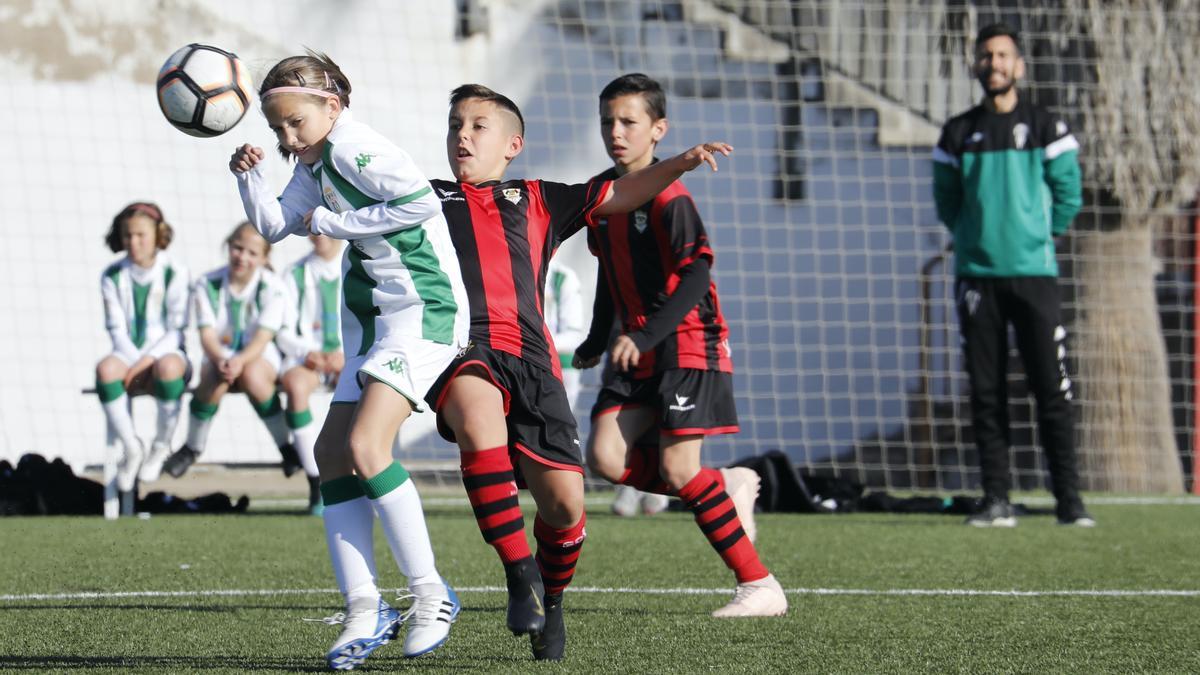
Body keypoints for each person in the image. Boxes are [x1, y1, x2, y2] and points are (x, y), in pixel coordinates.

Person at [425, 83, 733, 661]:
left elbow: (621, 191)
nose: (461, 136)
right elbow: (345, 186)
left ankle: (553, 601)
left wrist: (682, 162)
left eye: (477, 126)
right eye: (454, 126)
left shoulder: (540, 198)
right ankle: (520, 576)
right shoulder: (422, 198)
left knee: (566, 507)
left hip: (534, 364)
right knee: (476, 413)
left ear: (512, 143)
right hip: (465, 349)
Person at [227, 51, 467, 667]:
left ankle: (430, 593)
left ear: (331, 106)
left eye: (295, 123)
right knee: (330, 453)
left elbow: (422, 204)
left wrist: (336, 219)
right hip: (369, 316)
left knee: (366, 448)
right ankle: (365, 608)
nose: (287, 137)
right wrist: (249, 178)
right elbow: (278, 225)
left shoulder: (359, 150)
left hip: (422, 308)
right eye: (276, 127)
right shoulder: (315, 157)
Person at [574, 73, 787, 618]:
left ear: (658, 130)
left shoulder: (671, 195)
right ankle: (723, 484)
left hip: (688, 340)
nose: (615, 132)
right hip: (635, 343)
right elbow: (609, 275)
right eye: (608, 122)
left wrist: (643, 333)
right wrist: (600, 338)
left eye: (629, 122)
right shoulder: (604, 196)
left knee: (675, 469)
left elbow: (697, 274)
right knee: (604, 456)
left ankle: (759, 585)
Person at [931, 23, 1093, 528]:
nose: (994, 63)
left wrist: (1039, 237)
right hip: (977, 278)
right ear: (976, 66)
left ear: (1018, 66)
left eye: (1002, 55)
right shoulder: (957, 132)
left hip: (1034, 276)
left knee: (1051, 387)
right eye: (985, 56)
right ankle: (996, 499)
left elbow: (1069, 194)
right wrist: (976, 237)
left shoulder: (1047, 127)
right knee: (986, 392)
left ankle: (1069, 502)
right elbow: (946, 200)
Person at [162, 222, 294, 479]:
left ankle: (286, 448)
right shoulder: (206, 283)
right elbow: (207, 335)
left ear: (264, 258)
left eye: (252, 253)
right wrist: (223, 359)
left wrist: (239, 361)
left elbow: (263, 338)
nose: (242, 257)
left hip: (259, 357)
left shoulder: (273, 287)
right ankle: (192, 447)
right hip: (220, 356)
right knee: (214, 375)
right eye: (237, 248)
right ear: (228, 246)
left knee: (252, 375)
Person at [94, 202, 190, 488]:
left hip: (165, 356)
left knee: (169, 366)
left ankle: (161, 445)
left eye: (141, 235)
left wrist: (145, 362)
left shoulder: (175, 272)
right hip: (130, 357)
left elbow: (177, 330)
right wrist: (134, 361)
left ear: (158, 235)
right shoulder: (112, 275)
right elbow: (115, 328)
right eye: (127, 236)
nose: (134, 242)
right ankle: (131, 447)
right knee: (106, 370)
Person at [277, 233, 346, 515]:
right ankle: (316, 481)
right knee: (294, 384)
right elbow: (281, 329)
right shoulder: (294, 273)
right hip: (308, 359)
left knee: (363, 387)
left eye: (324, 226)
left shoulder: (358, 264)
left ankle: (353, 476)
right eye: (312, 227)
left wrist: (348, 352)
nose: (317, 234)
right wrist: (307, 352)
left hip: (348, 357)